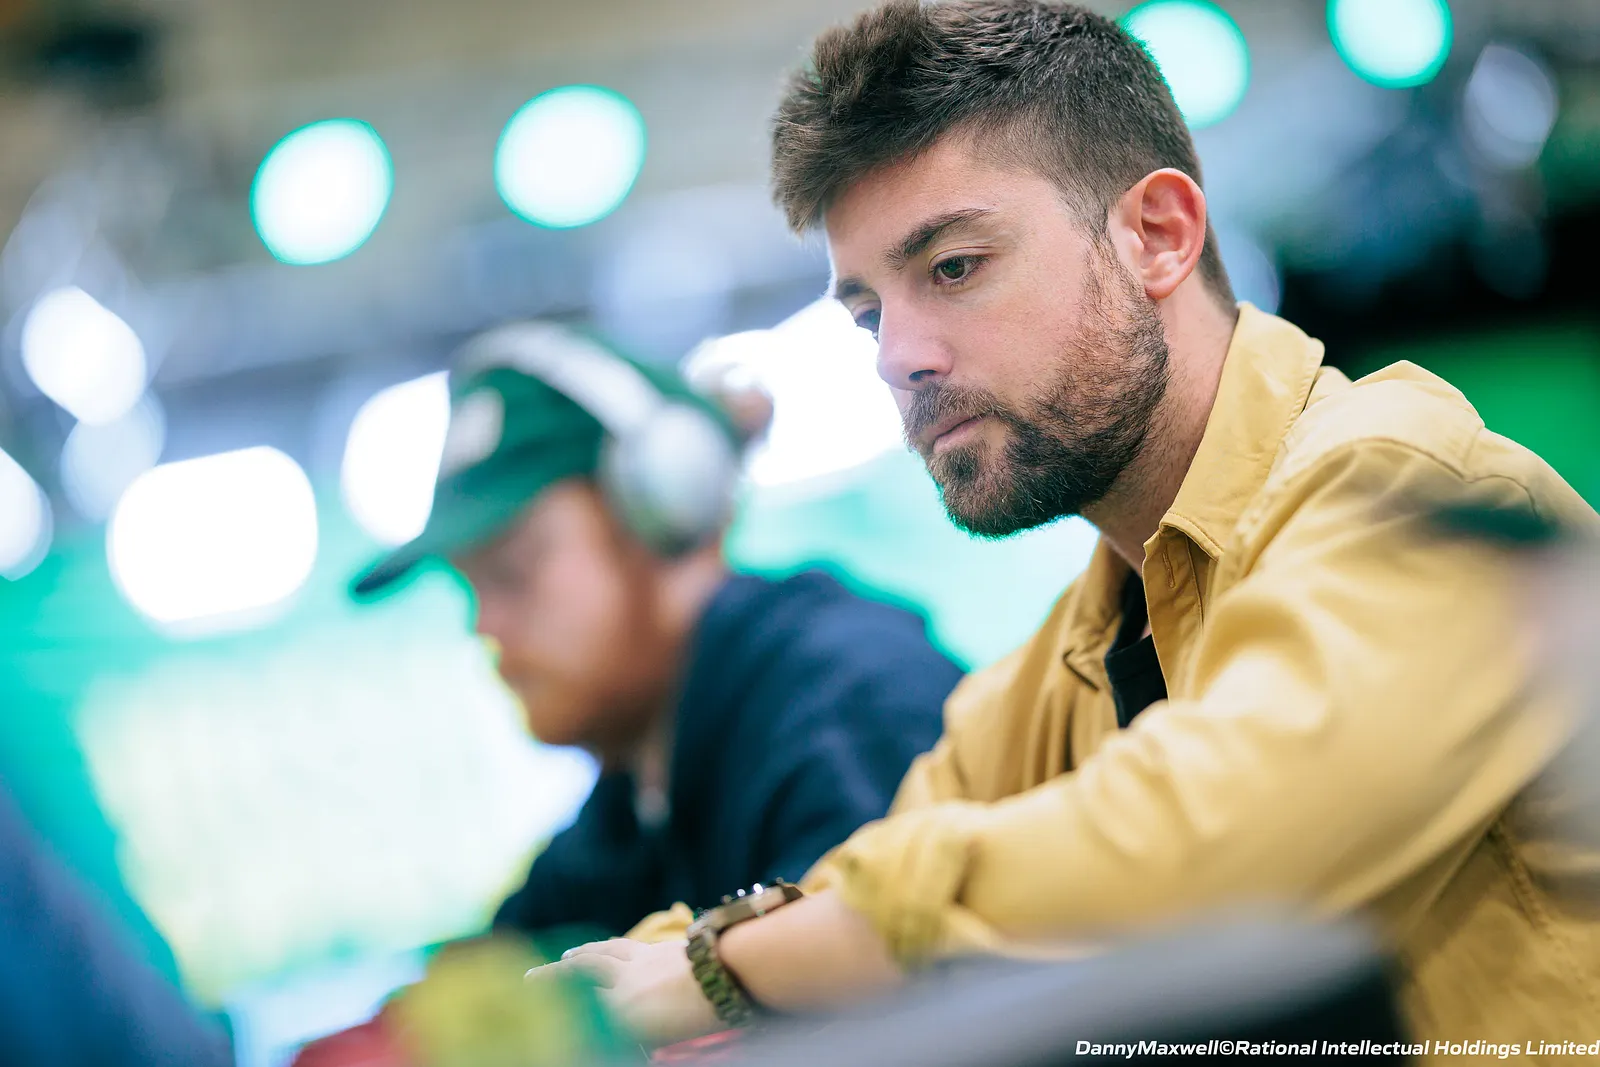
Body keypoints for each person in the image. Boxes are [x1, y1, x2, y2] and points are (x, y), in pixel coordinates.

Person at [547, 0, 1600, 1055]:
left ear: (1157, 235)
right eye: (869, 314)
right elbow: (832, 907)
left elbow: (1211, 846)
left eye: (953, 267)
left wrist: (723, 968)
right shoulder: (1057, 672)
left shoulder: (1410, 496)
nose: (897, 357)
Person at [352, 321, 958, 945]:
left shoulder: (853, 709)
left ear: (663, 512)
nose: (484, 625)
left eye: (513, 574)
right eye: (471, 589)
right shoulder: (631, 810)